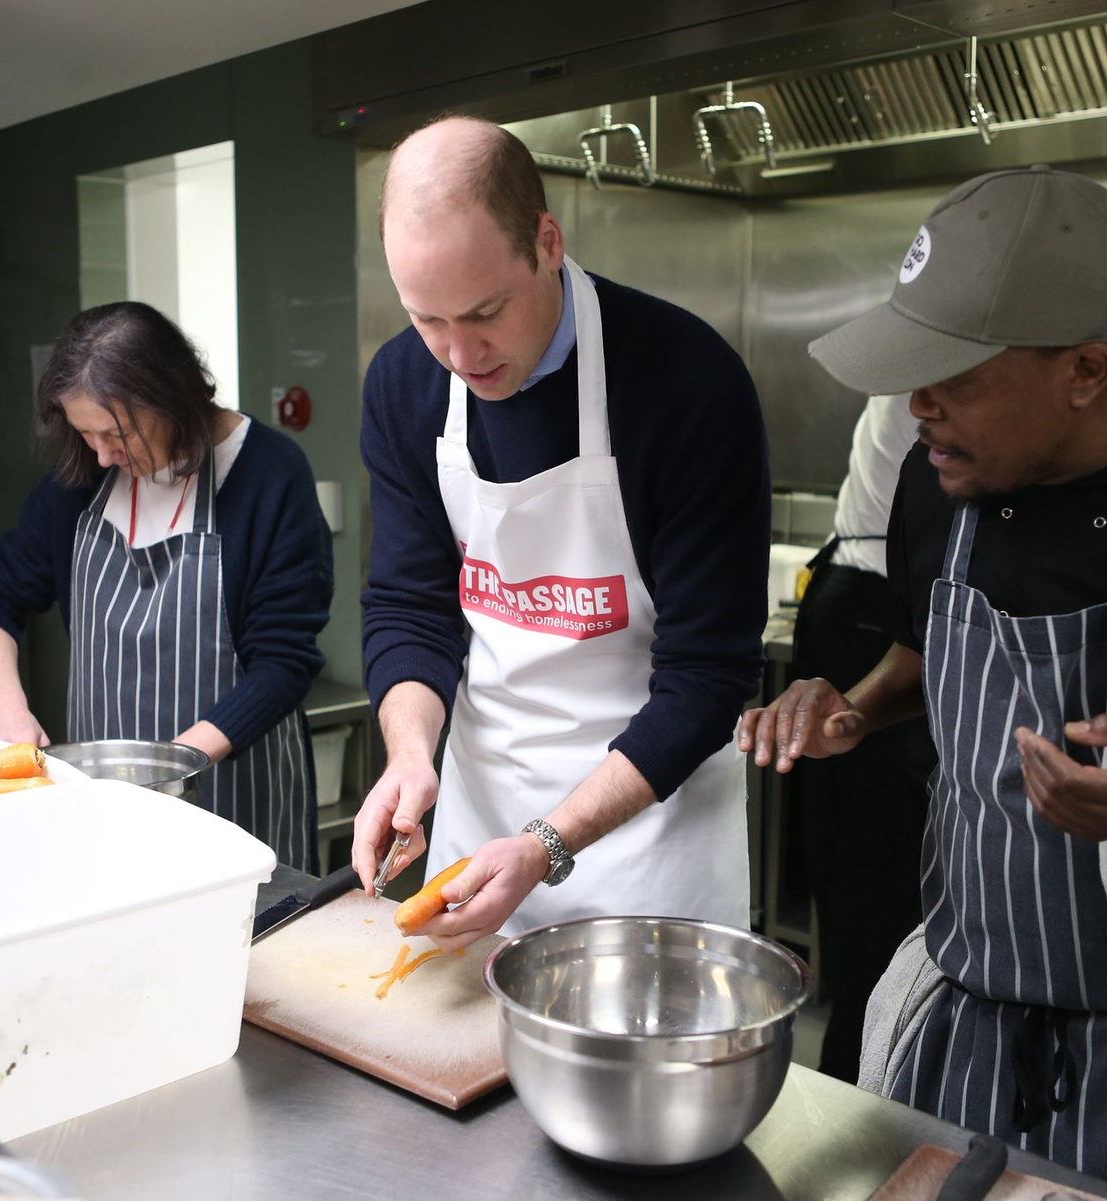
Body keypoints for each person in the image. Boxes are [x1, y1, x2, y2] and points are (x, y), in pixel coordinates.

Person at [739, 164, 1107, 1175]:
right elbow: (921, 649)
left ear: (1086, 370)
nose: (917, 407)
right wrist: (854, 706)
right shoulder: (934, 487)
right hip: (965, 1015)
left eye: (959, 378)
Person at [353, 115, 769, 947]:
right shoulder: (405, 382)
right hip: (481, 825)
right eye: (427, 319)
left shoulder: (686, 382)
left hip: (652, 841)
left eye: (485, 312)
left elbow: (707, 676)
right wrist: (407, 755)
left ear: (547, 240)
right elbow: (409, 604)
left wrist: (547, 845)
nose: (459, 355)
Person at [0, 301, 333, 872]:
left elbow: (282, 663)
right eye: (86, 434)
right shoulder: (85, 478)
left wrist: (165, 771)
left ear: (173, 398)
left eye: (116, 433)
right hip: (106, 808)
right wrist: (6, 708)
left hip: (236, 804)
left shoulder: (269, 474)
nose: (103, 453)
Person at [793, 393, 936, 1083]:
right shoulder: (946, 384)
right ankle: (862, 1090)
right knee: (874, 892)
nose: (927, 406)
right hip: (870, 606)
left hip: (861, 598)